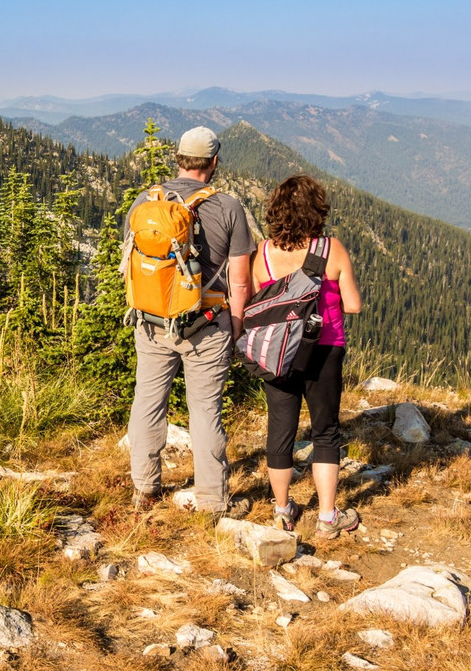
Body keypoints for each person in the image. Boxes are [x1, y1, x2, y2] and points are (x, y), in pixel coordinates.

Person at [126, 126, 255, 514]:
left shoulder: (143, 202)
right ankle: (213, 501)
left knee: (147, 402)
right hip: (207, 323)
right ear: (214, 162)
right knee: (204, 411)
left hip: (151, 320)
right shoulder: (228, 207)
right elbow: (241, 278)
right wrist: (237, 322)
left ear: (178, 159)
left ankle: (144, 489)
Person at [249, 174, 362, 538]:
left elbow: (253, 304)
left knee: (280, 432)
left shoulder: (263, 253)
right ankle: (328, 518)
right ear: (317, 210)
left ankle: (283, 512)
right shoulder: (332, 250)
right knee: (325, 431)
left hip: (276, 354)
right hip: (324, 348)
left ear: (276, 210)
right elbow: (355, 305)